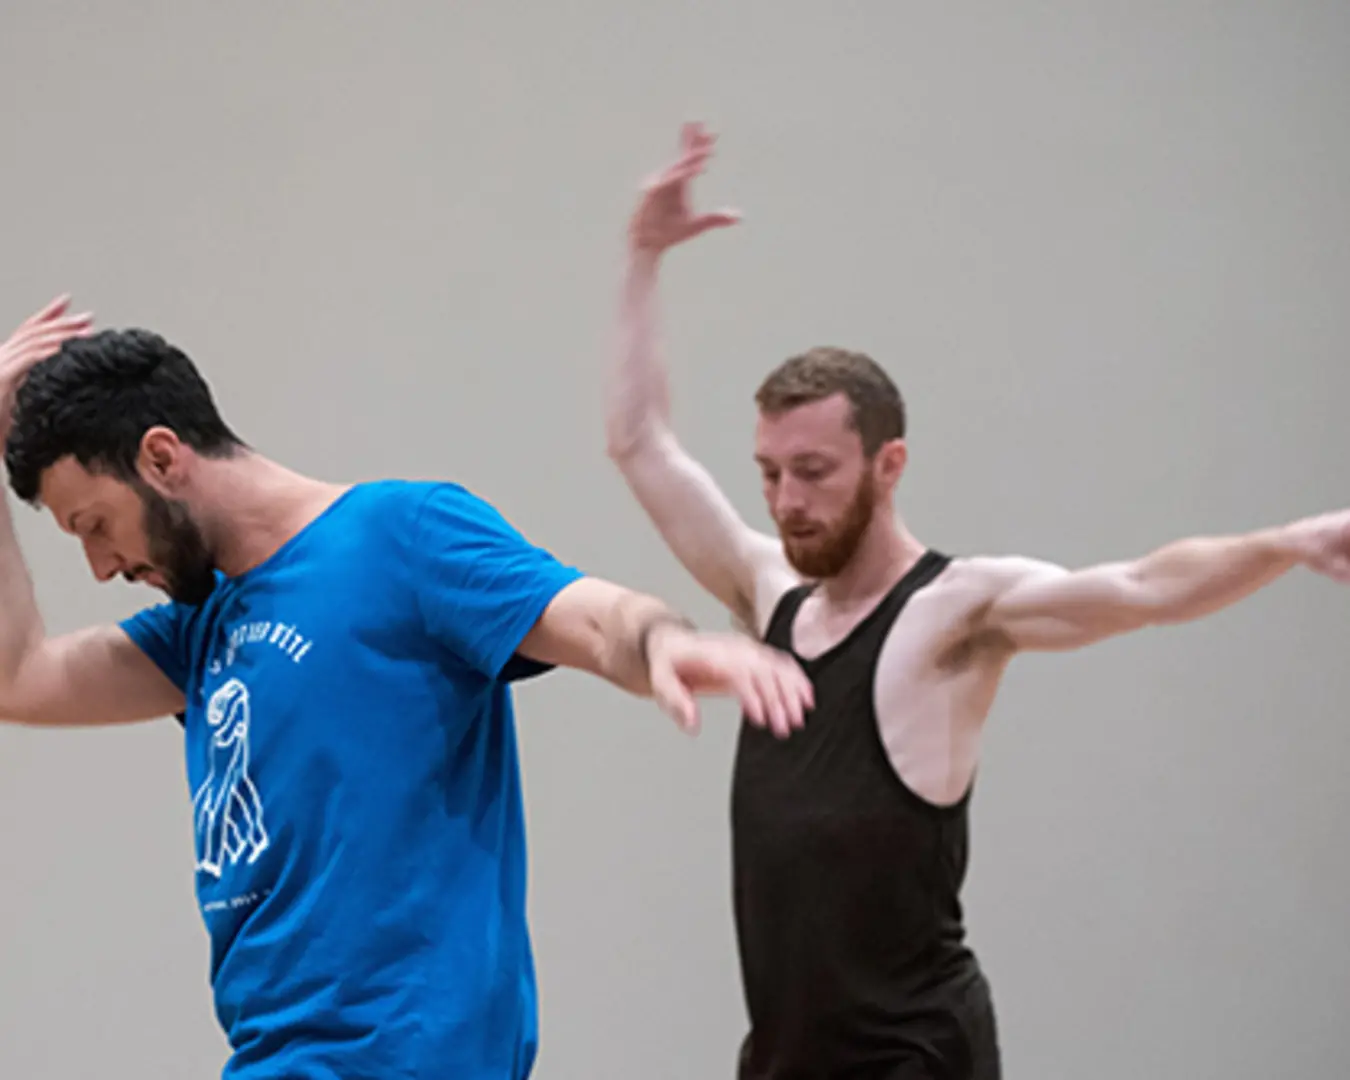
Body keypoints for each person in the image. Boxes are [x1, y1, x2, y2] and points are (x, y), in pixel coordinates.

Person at [605, 123, 1350, 1080]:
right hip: (788, 1060)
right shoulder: (770, 595)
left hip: (917, 1059)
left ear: (889, 464)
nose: (787, 501)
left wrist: (1284, 545)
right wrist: (641, 256)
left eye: (815, 472)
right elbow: (640, 444)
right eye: (771, 473)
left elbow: (1140, 587)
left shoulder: (956, 614)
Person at [0, 295, 814, 1080]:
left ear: (162, 457)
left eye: (95, 524)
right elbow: (17, 676)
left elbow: (595, 617)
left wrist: (664, 642)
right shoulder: (199, 627)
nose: (101, 567)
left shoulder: (400, 536)